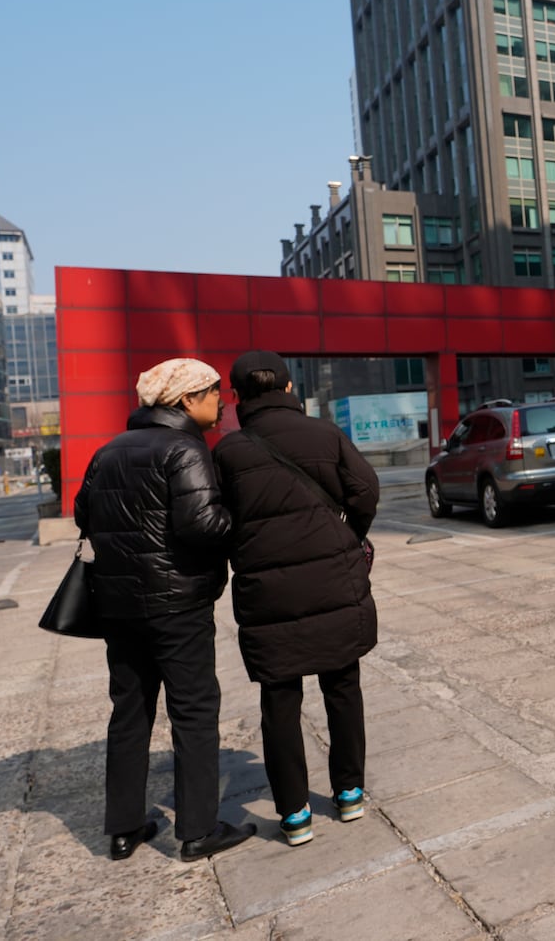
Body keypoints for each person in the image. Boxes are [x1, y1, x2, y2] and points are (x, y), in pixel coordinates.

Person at [73, 357, 256, 863]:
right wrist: (239, 516)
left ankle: (124, 829)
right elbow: (203, 525)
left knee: (129, 714)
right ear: (183, 401)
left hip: (117, 608)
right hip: (177, 607)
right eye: (212, 392)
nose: (220, 401)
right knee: (194, 711)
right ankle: (198, 830)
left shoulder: (108, 451)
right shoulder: (185, 448)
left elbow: (82, 512)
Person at [211, 351, 380, 847]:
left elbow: (215, 522)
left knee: (279, 699)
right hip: (334, 580)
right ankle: (348, 794)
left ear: (237, 399)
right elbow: (365, 490)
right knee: (343, 686)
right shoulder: (325, 434)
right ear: (289, 389)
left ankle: (294, 814)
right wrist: (350, 536)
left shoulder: (228, 452)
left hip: (268, 594)